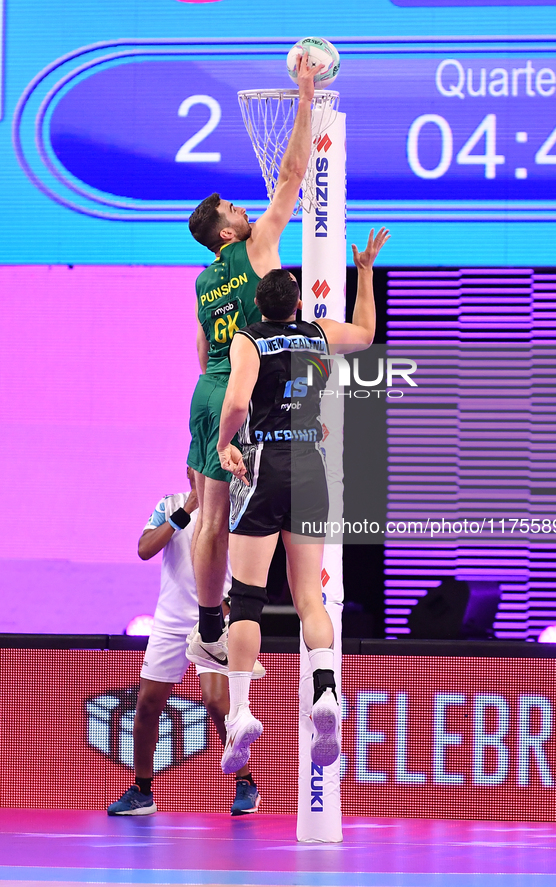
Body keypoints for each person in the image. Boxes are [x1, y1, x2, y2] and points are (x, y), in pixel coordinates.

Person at [215, 228, 390, 774]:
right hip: (312, 466)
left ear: (259, 307)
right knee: (310, 598)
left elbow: (238, 402)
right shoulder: (316, 334)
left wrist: (224, 445)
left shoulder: (247, 340)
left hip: (264, 464)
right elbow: (364, 333)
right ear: (297, 303)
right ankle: (326, 692)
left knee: (245, 597)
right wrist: (363, 271)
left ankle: (241, 711)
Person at [185, 51, 318, 672]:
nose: (245, 208)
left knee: (209, 516)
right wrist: (305, 98)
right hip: (245, 391)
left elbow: (200, 351)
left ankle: (209, 626)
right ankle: (224, 631)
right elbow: (292, 174)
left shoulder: (202, 281)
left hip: (206, 390)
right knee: (237, 527)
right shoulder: (256, 246)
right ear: (228, 234)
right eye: (236, 209)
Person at [107, 468, 264, 817]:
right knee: (147, 704)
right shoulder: (170, 504)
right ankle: (142, 791)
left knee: (216, 701)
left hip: (213, 616)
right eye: (196, 466)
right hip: (169, 620)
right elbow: (145, 549)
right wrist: (188, 509)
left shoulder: (233, 507)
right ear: (189, 471)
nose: (201, 472)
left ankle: (246, 784)